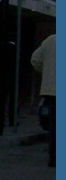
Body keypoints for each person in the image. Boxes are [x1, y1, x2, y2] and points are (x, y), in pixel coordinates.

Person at [31, 33, 56, 167]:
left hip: (51, 90)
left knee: (54, 125)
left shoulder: (49, 40)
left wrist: (46, 73)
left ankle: (53, 157)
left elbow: (35, 59)